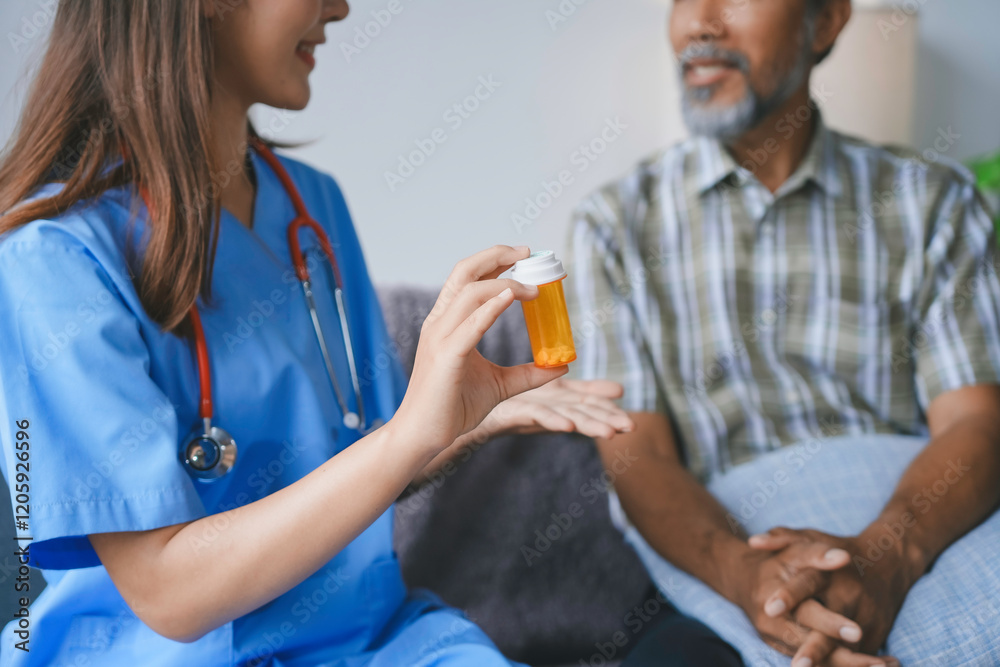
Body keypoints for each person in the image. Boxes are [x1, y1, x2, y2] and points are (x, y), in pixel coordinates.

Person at [0, 1, 638, 665]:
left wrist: (465, 421)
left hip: (365, 638)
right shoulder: (53, 260)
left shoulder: (312, 208)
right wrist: (409, 434)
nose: (341, 7)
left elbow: (367, 453)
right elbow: (170, 593)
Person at [565, 0, 1000, 665]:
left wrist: (884, 557)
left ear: (824, 22)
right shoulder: (615, 226)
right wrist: (751, 579)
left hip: (918, 537)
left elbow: (976, 423)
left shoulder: (933, 202)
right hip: (723, 559)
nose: (699, 23)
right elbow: (637, 455)